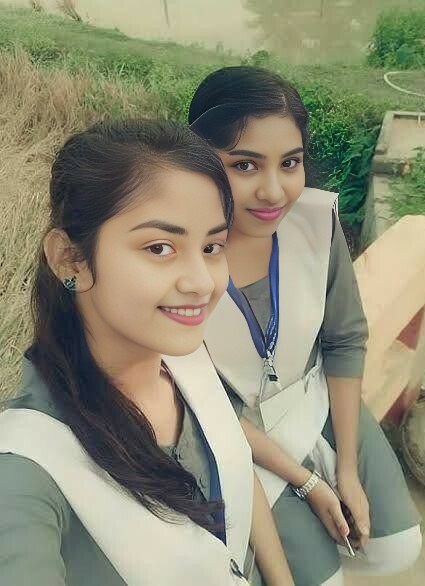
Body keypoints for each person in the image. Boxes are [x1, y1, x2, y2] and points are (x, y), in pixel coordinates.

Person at [0, 119, 293, 586]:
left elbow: (232, 462)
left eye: (212, 246)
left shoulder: (183, 363)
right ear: (70, 259)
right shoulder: (27, 467)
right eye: (159, 248)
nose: (201, 282)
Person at [188, 66, 422, 585]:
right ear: (198, 161)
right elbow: (200, 404)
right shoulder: (177, 257)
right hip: (235, 434)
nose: (274, 191)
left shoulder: (315, 223)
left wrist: (347, 471)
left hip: (313, 399)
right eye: (245, 165)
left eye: (290, 163)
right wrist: (309, 483)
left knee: (397, 549)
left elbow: (344, 339)